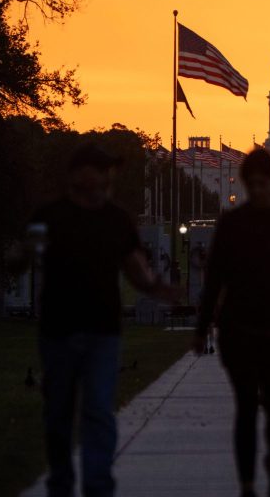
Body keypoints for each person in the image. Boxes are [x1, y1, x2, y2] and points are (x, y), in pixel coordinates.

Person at [28, 143, 178, 497]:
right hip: (59, 328)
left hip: (103, 329)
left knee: (98, 410)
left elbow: (134, 267)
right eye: (101, 169)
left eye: (108, 169)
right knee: (59, 415)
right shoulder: (49, 216)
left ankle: (98, 486)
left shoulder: (117, 219)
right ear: (79, 174)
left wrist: (158, 287)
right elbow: (25, 257)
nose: (108, 176)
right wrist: (22, 252)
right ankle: (61, 484)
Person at [194, 147, 270, 497]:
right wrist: (202, 328)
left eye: (264, 182)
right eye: (253, 183)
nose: (259, 189)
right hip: (239, 328)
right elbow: (215, 277)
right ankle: (247, 483)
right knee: (246, 408)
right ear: (247, 183)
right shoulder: (232, 223)